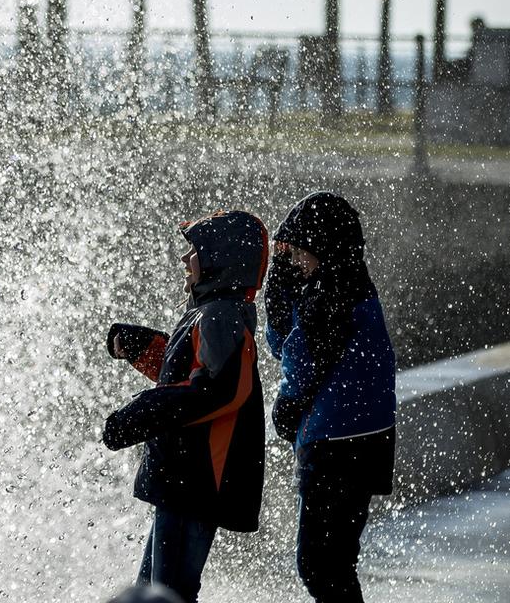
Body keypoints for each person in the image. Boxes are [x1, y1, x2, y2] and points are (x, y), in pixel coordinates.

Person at [102, 210, 269, 603]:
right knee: (154, 589)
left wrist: (139, 413)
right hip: (184, 479)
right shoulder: (211, 312)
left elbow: (217, 391)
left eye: (194, 251)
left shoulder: (221, 315)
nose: (184, 260)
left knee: (168, 591)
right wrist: (143, 348)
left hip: (194, 480)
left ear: (219, 259)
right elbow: (186, 376)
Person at [264, 192, 396, 603]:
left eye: (302, 252)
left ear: (324, 246)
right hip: (369, 441)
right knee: (337, 560)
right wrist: (285, 302)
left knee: (319, 564)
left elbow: (300, 359)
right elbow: (293, 347)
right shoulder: (353, 283)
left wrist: (286, 408)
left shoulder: (329, 295)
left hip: (336, 445)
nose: (297, 262)